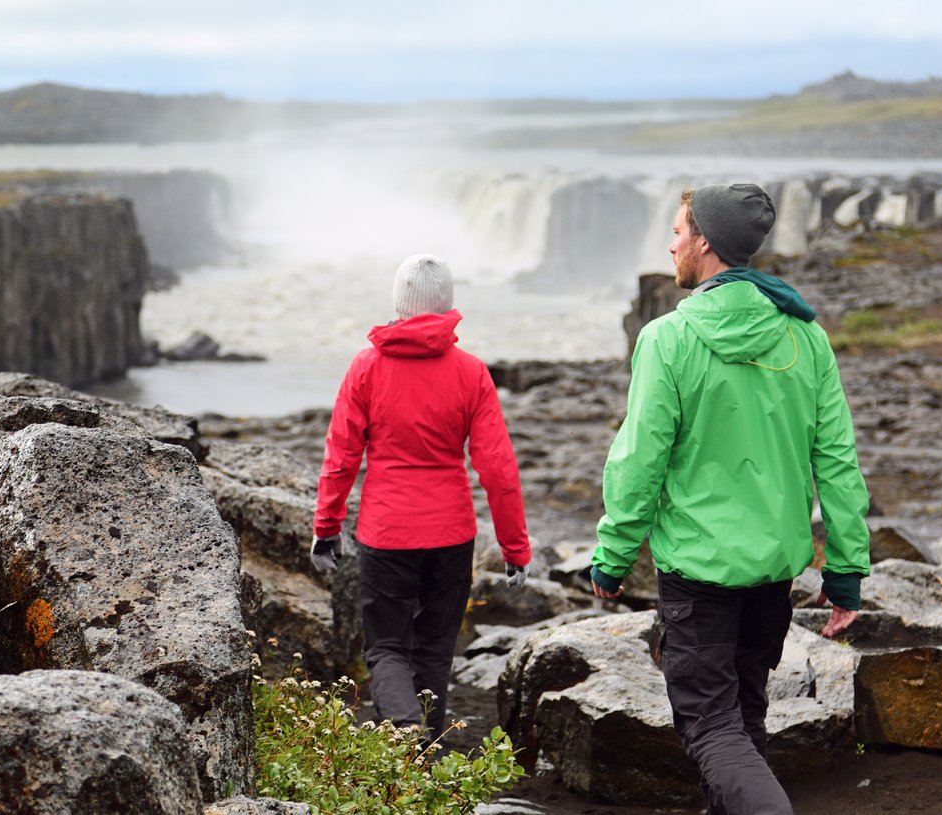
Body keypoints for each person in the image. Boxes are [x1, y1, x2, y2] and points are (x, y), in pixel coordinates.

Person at [589, 184, 870, 814]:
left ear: (706, 242)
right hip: (772, 571)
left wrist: (612, 556)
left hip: (700, 575)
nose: (671, 243)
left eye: (678, 231)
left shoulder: (668, 339)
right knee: (744, 719)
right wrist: (845, 569)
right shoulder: (806, 339)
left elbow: (639, 462)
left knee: (711, 729)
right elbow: (838, 462)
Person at [311, 252, 531, 745]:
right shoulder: (471, 372)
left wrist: (326, 527)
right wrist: (516, 549)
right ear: (447, 305)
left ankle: (403, 729)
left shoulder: (366, 367)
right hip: (451, 534)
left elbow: (341, 454)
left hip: (387, 532)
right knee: (434, 650)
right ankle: (422, 754)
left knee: (386, 647)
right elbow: (498, 469)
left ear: (398, 303)